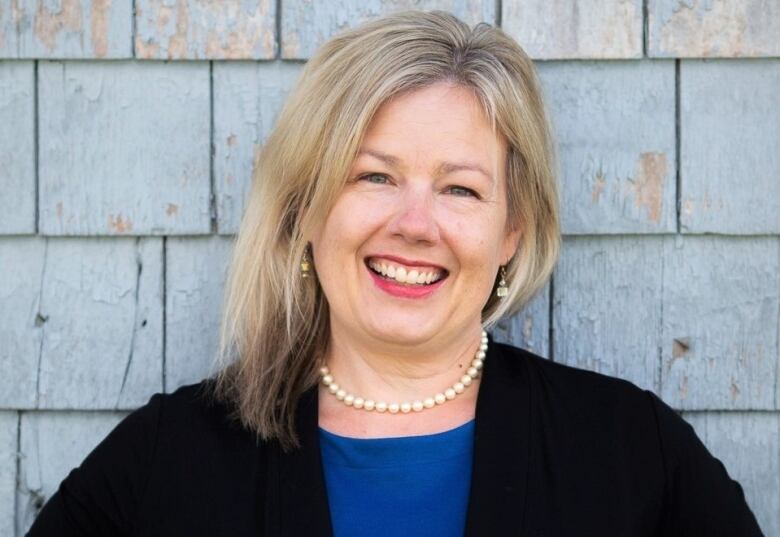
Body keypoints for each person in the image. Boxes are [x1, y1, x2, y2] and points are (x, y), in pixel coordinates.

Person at [27, 10, 763, 537]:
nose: (415, 223)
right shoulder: (170, 460)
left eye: (461, 188)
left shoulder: (629, 452)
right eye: (375, 177)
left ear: (513, 230)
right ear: (307, 207)